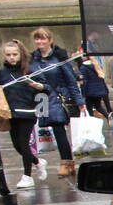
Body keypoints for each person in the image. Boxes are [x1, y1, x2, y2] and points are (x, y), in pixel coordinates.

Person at [28, 27, 84, 177]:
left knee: (59, 129)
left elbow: (71, 80)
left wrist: (79, 100)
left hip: (60, 98)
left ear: (50, 40)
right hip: (43, 99)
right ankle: (66, 161)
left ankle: (66, 162)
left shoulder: (59, 57)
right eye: (37, 39)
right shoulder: (32, 59)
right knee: (48, 130)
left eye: (43, 38)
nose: (40, 41)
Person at [0, 40, 49, 187]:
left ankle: (27, 176)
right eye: (8, 55)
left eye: (14, 54)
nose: (12, 57)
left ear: (20, 54)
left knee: (24, 143)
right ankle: (38, 162)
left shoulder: (30, 69)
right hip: (11, 113)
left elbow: (46, 87)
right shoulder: (3, 72)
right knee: (17, 146)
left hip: (27, 112)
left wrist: (38, 85)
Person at [77, 46, 112, 118]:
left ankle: (91, 122)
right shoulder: (95, 64)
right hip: (99, 90)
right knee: (98, 106)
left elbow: (84, 82)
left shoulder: (83, 67)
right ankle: (108, 116)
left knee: (89, 107)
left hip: (90, 92)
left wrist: (83, 93)